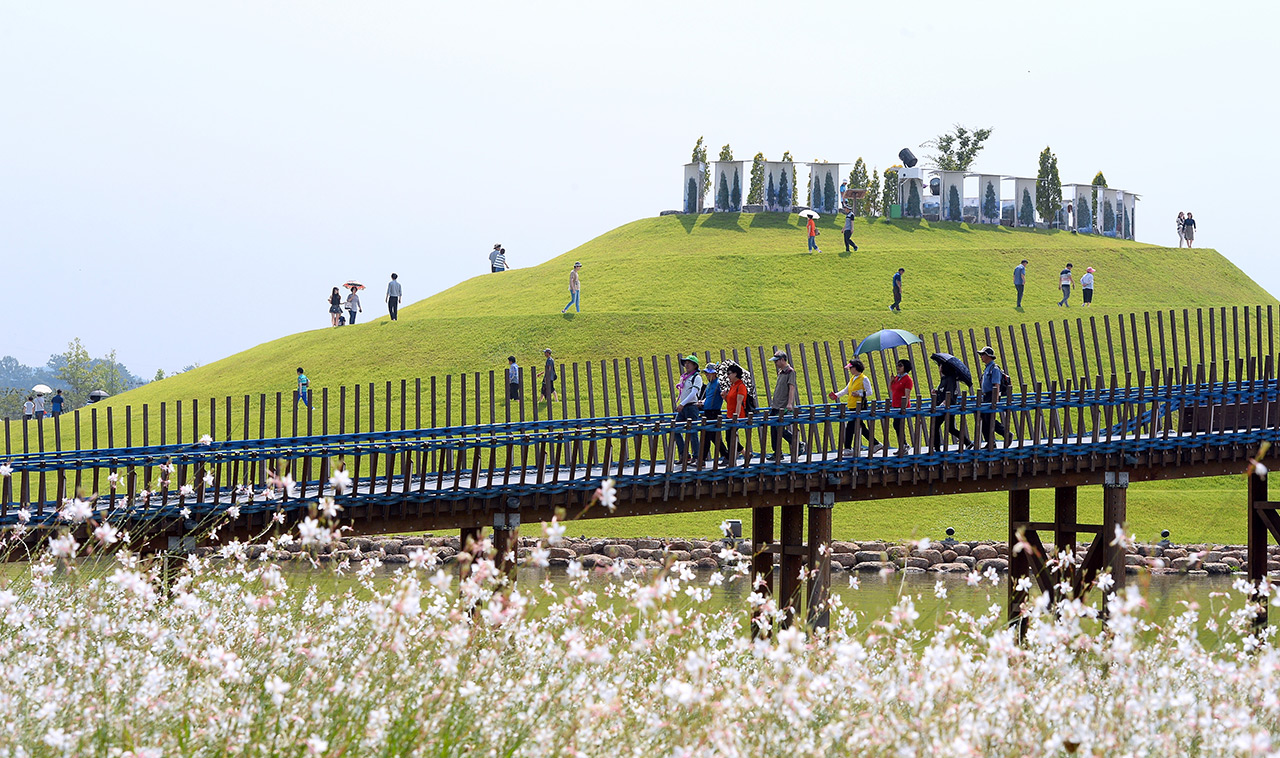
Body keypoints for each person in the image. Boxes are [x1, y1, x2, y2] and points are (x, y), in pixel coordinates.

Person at [829, 359, 880, 457]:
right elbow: (846, 390)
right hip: (852, 406)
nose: (850, 370)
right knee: (860, 426)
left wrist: (859, 393)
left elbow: (870, 392)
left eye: (851, 368)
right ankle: (876, 444)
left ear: (856, 368)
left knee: (850, 427)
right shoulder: (853, 378)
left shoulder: (864, 378)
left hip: (859, 406)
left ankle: (848, 448)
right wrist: (836, 395)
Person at [764, 351, 804, 459]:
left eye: (776, 361)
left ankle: (798, 443)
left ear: (782, 359)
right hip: (775, 405)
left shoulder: (790, 372)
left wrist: (790, 404)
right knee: (773, 429)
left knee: (779, 428)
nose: (775, 363)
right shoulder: (781, 372)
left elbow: (792, 388)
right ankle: (777, 453)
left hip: (783, 407)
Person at [672, 355, 705, 464]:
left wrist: (682, 403)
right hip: (684, 406)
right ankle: (684, 454)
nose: (686, 365)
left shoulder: (697, 377)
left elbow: (693, 393)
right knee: (676, 429)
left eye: (689, 363)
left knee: (693, 432)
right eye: (685, 363)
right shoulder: (685, 377)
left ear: (695, 365)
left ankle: (696, 456)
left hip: (691, 406)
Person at [931, 365, 971, 450]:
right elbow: (943, 391)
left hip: (947, 407)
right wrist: (936, 392)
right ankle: (967, 442)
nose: (939, 367)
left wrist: (945, 401)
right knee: (950, 428)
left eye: (941, 366)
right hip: (943, 407)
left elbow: (950, 393)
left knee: (936, 425)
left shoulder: (950, 379)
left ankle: (937, 447)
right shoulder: (944, 379)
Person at [697, 364, 730, 465]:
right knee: (712, 437)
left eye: (709, 373)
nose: (707, 375)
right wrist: (702, 402)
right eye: (706, 373)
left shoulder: (719, 383)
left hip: (714, 412)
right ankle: (726, 455)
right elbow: (709, 397)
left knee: (707, 436)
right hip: (707, 412)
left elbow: (724, 395)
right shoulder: (709, 384)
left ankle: (702, 460)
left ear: (715, 373)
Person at [977, 347, 1008, 446]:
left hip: (991, 396)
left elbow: (996, 384)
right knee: (984, 418)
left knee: (989, 418)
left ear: (989, 356)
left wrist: (996, 399)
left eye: (983, 354)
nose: (981, 357)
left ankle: (1005, 434)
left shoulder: (994, 368)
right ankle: (990, 442)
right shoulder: (987, 368)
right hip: (986, 396)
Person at [722, 364, 751, 459]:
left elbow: (739, 403)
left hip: (737, 416)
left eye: (729, 373)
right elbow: (731, 402)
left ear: (735, 374)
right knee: (729, 437)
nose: (728, 376)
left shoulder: (741, 386)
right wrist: (725, 397)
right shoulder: (732, 386)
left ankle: (736, 457)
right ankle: (744, 453)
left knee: (730, 437)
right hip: (729, 415)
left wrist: (737, 417)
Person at [888, 359, 913, 454]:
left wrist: (904, 407)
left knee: (898, 425)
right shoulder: (897, 378)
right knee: (897, 425)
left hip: (901, 406)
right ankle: (903, 445)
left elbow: (907, 395)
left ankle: (904, 445)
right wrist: (891, 381)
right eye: (897, 365)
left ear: (905, 367)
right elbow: (891, 390)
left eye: (900, 365)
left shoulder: (907, 380)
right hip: (895, 405)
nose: (898, 367)